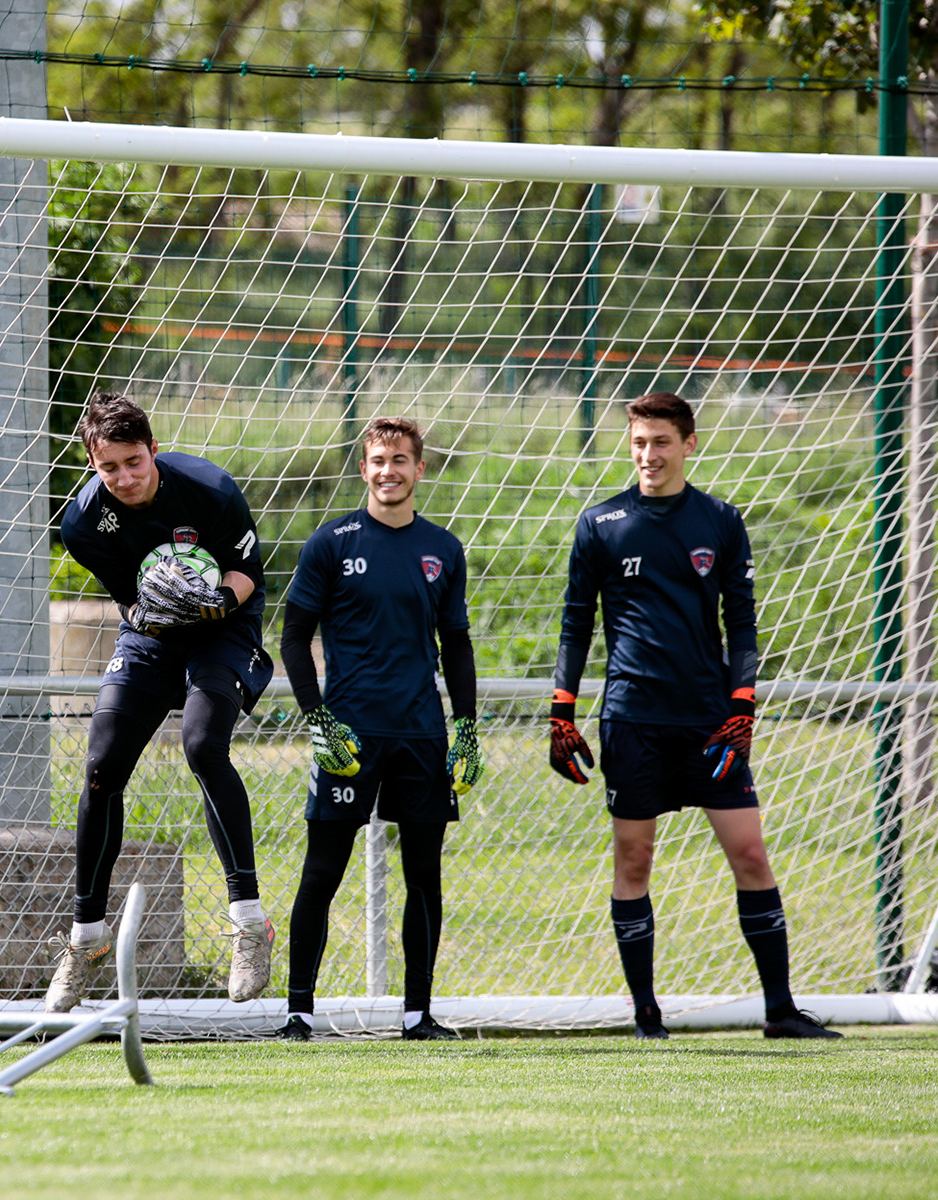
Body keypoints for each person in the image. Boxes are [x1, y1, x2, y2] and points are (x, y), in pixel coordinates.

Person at [549, 391, 841, 1040]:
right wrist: (561, 712)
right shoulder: (600, 524)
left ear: (688, 444)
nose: (648, 455)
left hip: (712, 722)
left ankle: (781, 1011)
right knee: (634, 860)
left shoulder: (720, 520)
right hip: (632, 718)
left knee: (752, 854)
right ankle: (647, 1016)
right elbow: (575, 624)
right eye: (638, 443)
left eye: (660, 442)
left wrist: (744, 705)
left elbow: (742, 622)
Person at [48, 392, 276, 1012]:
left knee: (203, 745)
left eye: (134, 462)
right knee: (101, 766)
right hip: (151, 630)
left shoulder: (210, 488)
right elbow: (130, 599)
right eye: (108, 468)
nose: (123, 478)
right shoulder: (81, 525)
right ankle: (86, 937)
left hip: (223, 624)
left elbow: (248, 573)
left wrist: (212, 605)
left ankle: (250, 924)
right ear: (92, 464)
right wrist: (154, 612)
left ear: (153, 449)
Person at [275, 416, 481, 1042]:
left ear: (419, 469)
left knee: (425, 875)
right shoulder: (331, 542)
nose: (388, 470)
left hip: (421, 735)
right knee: (322, 872)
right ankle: (298, 1013)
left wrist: (466, 727)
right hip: (351, 736)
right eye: (378, 460)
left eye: (400, 459)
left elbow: (458, 644)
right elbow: (292, 638)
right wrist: (318, 719)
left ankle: (419, 1015)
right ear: (362, 469)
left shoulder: (443, 549)